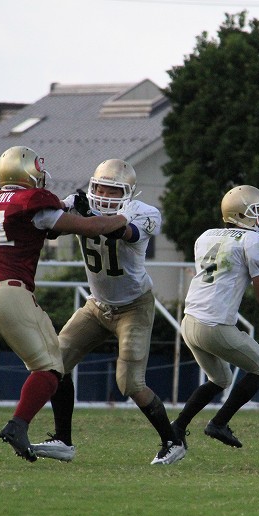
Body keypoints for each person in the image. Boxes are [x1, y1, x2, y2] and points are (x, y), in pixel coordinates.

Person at [0, 146, 137, 468]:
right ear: (30, 174)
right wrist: (124, 218)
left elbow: (34, 221)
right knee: (51, 368)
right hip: (9, 292)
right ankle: (18, 425)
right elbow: (89, 228)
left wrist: (65, 206)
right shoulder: (33, 202)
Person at [31, 159, 186, 465]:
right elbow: (48, 227)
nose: (104, 195)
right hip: (97, 304)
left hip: (134, 307)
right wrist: (59, 206)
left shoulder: (143, 212)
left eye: (113, 191)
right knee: (54, 363)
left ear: (128, 193)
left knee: (130, 383)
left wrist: (84, 215)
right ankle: (63, 440)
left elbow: (120, 231)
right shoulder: (81, 204)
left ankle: (173, 441)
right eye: (100, 188)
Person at [170, 185, 259, 450]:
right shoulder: (255, 242)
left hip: (189, 322)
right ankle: (218, 423)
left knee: (220, 380)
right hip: (214, 325)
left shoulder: (206, 236)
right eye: (258, 211)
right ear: (241, 214)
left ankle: (178, 426)